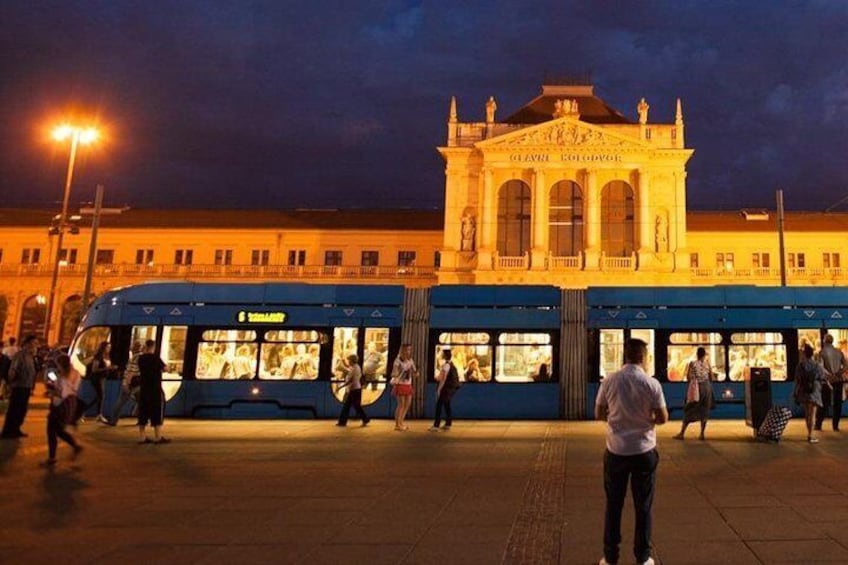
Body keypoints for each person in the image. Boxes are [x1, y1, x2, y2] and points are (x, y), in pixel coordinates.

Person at [596, 338, 667, 565]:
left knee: (613, 505)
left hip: (616, 451)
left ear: (624, 356)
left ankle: (610, 557)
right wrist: (645, 421)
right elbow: (662, 418)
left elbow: (598, 412)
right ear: (643, 357)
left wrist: (617, 420)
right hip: (644, 451)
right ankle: (643, 558)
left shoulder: (609, 380)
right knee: (643, 507)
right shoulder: (652, 383)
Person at [44, 354, 83, 465]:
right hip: (69, 403)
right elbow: (72, 389)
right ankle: (74, 446)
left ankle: (53, 457)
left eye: (58, 365)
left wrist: (51, 389)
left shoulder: (64, 376)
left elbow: (62, 393)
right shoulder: (75, 373)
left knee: (52, 430)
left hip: (61, 404)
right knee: (58, 430)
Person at [673, 347, 716, 440]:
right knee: (704, 410)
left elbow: (688, 377)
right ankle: (702, 434)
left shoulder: (692, 364)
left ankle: (682, 433)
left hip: (697, 388)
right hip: (707, 388)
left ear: (697, 354)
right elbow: (712, 378)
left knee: (689, 409)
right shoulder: (707, 364)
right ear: (704, 355)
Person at [1, 335, 39, 439]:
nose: (36, 346)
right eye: (34, 343)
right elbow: (13, 370)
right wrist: (10, 384)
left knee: (22, 410)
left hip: (27, 386)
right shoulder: (20, 355)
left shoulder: (31, 357)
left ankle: (16, 429)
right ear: (27, 344)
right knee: (14, 409)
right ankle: (8, 431)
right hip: (19, 387)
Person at [136, 339, 170, 444]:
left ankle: (142, 436)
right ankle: (158, 436)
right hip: (155, 388)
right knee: (156, 411)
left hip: (144, 388)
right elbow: (166, 369)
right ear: (153, 347)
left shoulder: (140, 359)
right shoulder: (156, 358)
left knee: (143, 412)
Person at [795, 343, 828, 443]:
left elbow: (797, 379)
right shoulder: (817, 365)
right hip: (814, 391)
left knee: (807, 413)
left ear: (804, 354)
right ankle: (810, 434)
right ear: (812, 354)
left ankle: (808, 432)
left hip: (804, 390)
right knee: (812, 413)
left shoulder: (800, 365)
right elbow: (822, 377)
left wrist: (795, 392)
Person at [107, 341, 142, 426]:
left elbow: (129, 371)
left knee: (123, 401)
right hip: (134, 383)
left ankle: (113, 420)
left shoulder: (132, 357)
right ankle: (141, 419)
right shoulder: (138, 357)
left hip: (129, 382)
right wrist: (127, 383)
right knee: (139, 401)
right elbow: (132, 371)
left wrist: (125, 382)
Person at [816, 334, 846, 432]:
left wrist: (829, 375)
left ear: (824, 341)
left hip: (827, 382)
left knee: (824, 402)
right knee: (838, 403)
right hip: (838, 380)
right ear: (832, 341)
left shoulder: (821, 353)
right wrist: (838, 373)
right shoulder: (839, 352)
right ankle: (835, 426)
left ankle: (818, 424)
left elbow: (820, 367)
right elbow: (845, 366)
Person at [430, 349, 460, 432]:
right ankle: (448, 423)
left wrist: (439, 389)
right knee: (447, 405)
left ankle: (436, 425)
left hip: (446, 388)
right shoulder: (451, 364)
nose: (439, 355)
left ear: (444, 355)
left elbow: (443, 378)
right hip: (450, 388)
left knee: (439, 406)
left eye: (441, 354)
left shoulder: (446, 365)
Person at [336, 354, 370, 427]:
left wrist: (340, 387)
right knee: (352, 406)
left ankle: (343, 422)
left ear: (351, 361)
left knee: (349, 406)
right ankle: (364, 419)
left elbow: (350, 380)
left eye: (349, 360)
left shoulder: (354, 368)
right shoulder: (357, 367)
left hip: (354, 389)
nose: (348, 362)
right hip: (356, 388)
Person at [390, 343, 417, 431]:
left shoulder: (410, 360)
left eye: (410, 350)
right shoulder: (398, 360)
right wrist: (401, 371)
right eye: (407, 350)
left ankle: (401, 422)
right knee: (401, 404)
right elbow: (394, 373)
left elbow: (415, 371)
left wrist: (416, 373)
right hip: (400, 383)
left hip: (408, 383)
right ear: (402, 350)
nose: (408, 352)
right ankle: (397, 424)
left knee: (407, 404)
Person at [86, 341, 113, 423]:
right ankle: (98, 414)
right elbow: (94, 369)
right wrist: (107, 368)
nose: (109, 349)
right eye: (108, 347)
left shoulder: (106, 356)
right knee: (100, 396)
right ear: (103, 348)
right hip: (96, 378)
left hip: (102, 378)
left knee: (99, 396)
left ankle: (85, 411)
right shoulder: (98, 356)